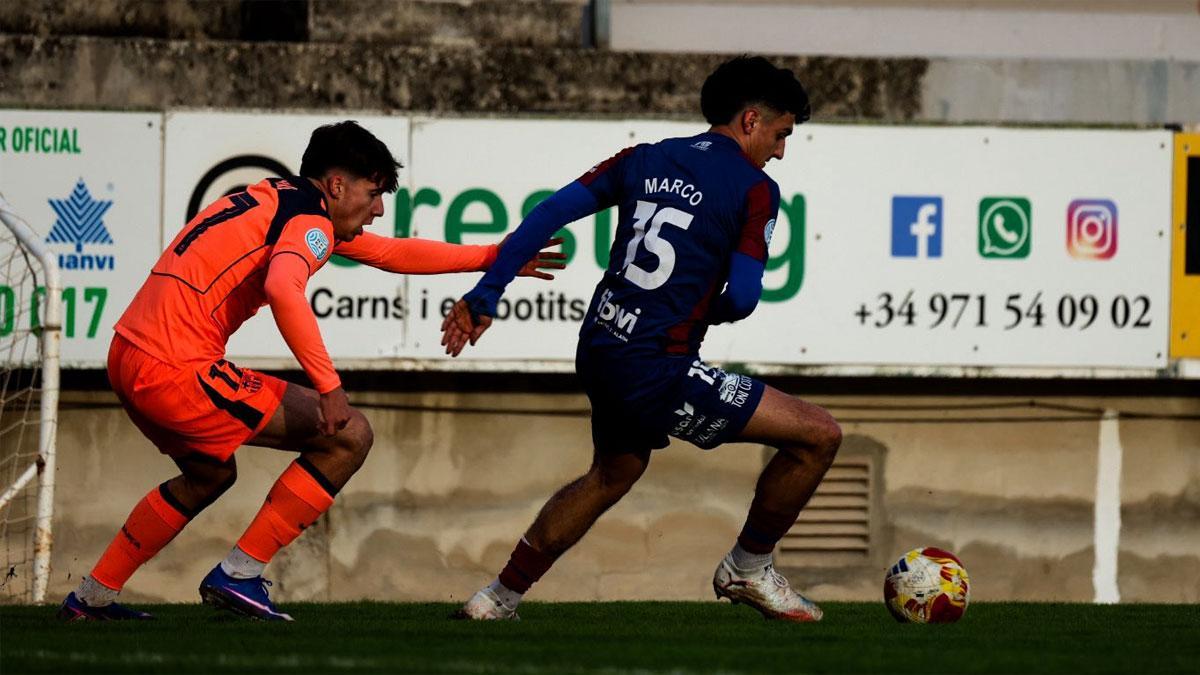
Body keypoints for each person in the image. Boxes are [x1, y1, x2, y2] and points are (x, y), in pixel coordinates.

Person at [57, 121, 564, 622]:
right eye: (374, 192)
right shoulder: (312, 222)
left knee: (208, 474)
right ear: (337, 185)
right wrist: (329, 386)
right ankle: (238, 573)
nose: (379, 207)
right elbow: (283, 287)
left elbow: (390, 252)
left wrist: (495, 258)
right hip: (174, 368)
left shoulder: (277, 198)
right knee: (350, 437)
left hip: (127, 353)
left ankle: (92, 598)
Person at [442, 56, 842, 622]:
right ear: (751, 121)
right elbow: (745, 297)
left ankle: (496, 598)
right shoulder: (756, 189)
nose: (780, 151)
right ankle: (749, 568)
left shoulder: (644, 158)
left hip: (601, 346)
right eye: (781, 135)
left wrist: (489, 292)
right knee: (818, 436)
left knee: (613, 473)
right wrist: (707, 311)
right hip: (657, 365)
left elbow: (548, 213)